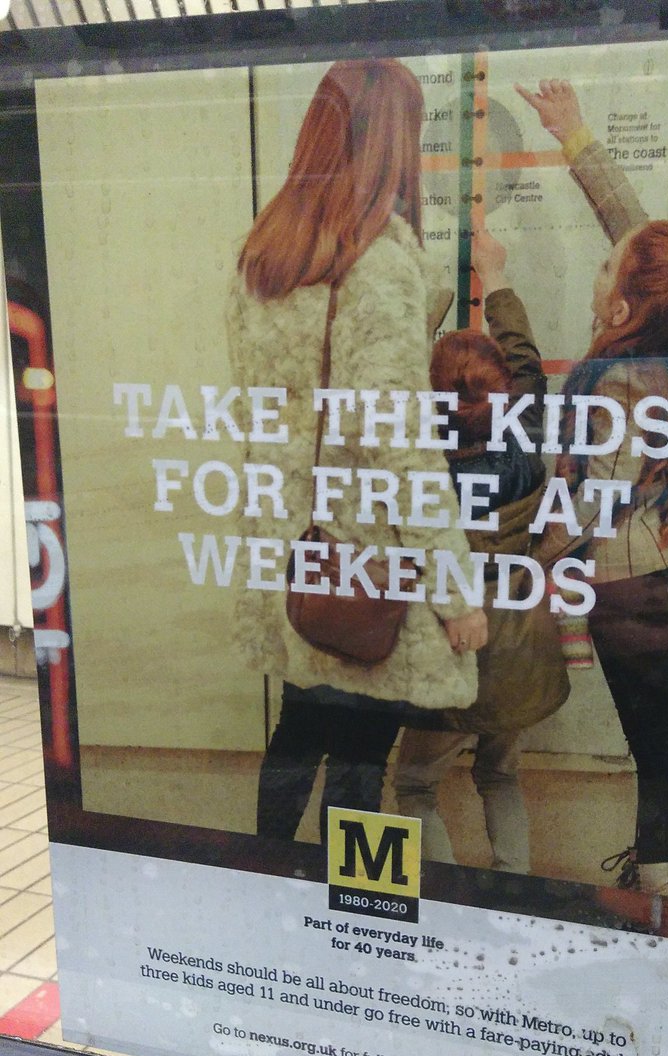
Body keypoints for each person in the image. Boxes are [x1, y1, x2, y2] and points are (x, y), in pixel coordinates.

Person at [226, 59, 487, 845]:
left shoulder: (265, 258)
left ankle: (268, 881)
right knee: (361, 759)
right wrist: (455, 590)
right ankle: (351, 912)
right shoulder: (375, 264)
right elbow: (398, 443)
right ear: (396, 142)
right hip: (368, 560)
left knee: (297, 729)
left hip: (295, 552)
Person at [509, 80, 668, 898]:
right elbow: (640, 235)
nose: (601, 271)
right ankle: (661, 861)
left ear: (626, 301)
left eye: (607, 270)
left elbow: (592, 506)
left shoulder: (616, 385)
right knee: (667, 735)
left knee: (651, 736)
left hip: (628, 587)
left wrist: (528, 563)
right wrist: (574, 135)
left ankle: (661, 877)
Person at [393, 232, 569, 873]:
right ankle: (511, 885)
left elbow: (393, 385)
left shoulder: (420, 461)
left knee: (415, 784)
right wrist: (494, 276)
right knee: (499, 774)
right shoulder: (524, 436)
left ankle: (445, 899)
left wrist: (426, 302)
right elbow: (524, 361)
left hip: (454, 652)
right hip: (520, 649)